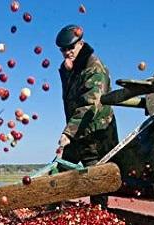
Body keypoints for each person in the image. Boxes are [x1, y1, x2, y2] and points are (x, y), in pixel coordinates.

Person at [55, 24, 118, 208]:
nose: (67, 52)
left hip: (95, 134)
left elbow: (90, 104)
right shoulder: (72, 68)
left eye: (70, 48)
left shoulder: (94, 68)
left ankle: (99, 218)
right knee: (60, 173)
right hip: (78, 132)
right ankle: (53, 211)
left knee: (96, 180)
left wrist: (68, 133)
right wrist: (66, 72)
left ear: (81, 44)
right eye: (63, 50)